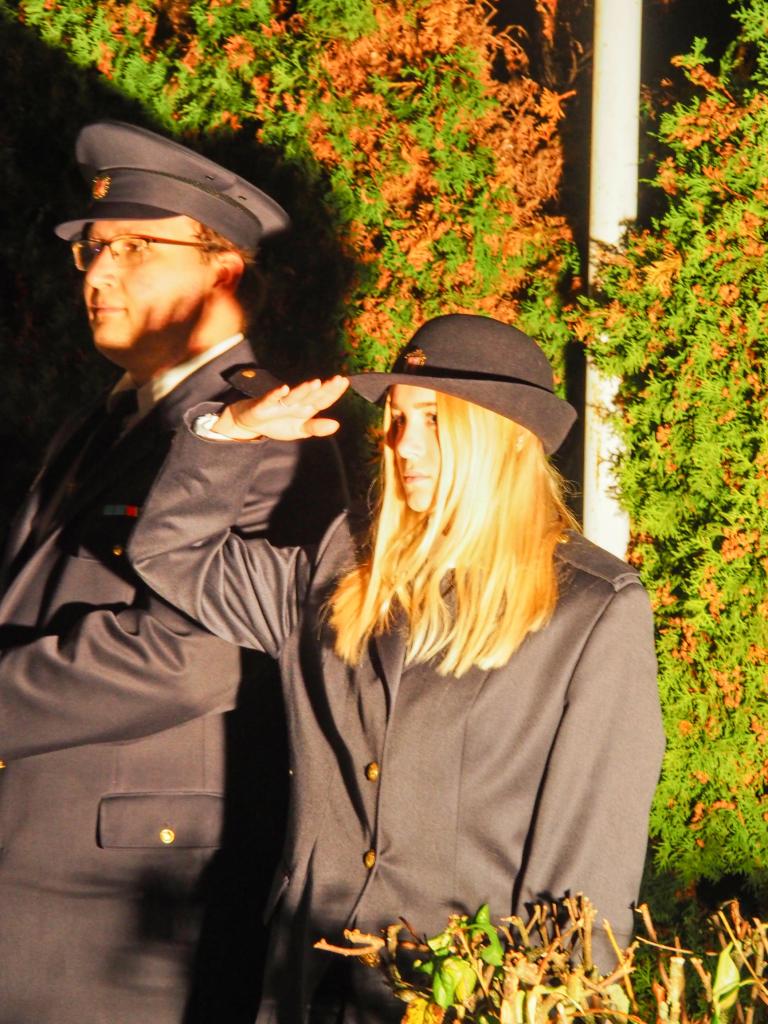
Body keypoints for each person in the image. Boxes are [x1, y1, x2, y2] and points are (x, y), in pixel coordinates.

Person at [129, 313, 665, 1024]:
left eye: (434, 420)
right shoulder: (342, 564)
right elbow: (171, 555)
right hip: (306, 984)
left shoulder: (592, 609)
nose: (402, 443)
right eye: (399, 418)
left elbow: (586, 871)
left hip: (463, 998)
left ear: (506, 436)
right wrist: (230, 434)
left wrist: (555, 1002)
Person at [0, 121, 344, 1024]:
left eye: (132, 248)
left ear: (222, 266)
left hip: (126, 902)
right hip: (42, 866)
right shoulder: (102, 419)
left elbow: (196, 656)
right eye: (92, 249)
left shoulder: (273, 430)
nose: (97, 274)